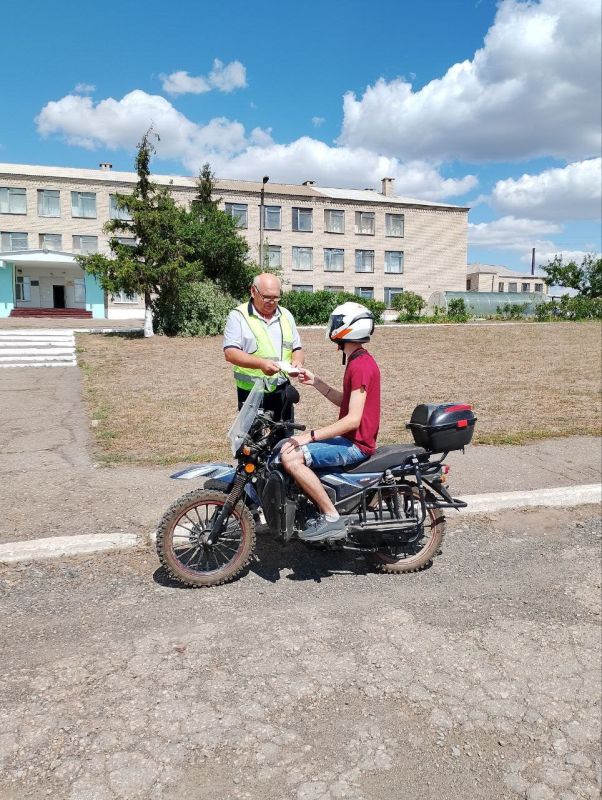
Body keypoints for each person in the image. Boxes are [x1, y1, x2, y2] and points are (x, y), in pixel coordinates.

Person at [280, 301, 381, 542]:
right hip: (350, 439)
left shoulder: (362, 366)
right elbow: (345, 402)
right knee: (289, 447)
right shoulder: (358, 361)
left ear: (349, 328)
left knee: (291, 456)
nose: (332, 328)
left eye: (336, 322)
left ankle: (331, 517)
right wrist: (316, 381)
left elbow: (352, 420)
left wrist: (310, 436)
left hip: (356, 444)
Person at [223, 273, 304, 421]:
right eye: (267, 297)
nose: (272, 302)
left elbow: (296, 348)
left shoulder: (286, 315)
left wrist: (297, 363)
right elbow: (230, 353)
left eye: (276, 297)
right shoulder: (238, 316)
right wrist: (261, 364)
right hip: (251, 393)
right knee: (252, 441)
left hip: (282, 390)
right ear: (253, 291)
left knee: (284, 440)